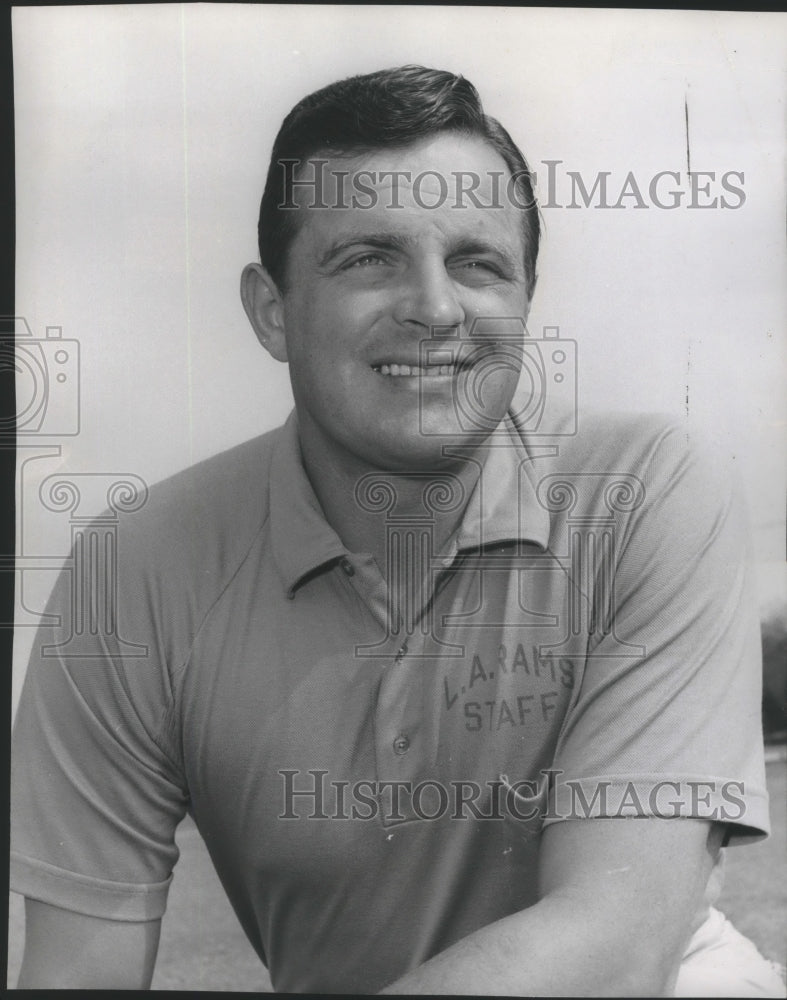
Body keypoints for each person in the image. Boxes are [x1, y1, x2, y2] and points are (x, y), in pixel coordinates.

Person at [11, 66, 785, 995]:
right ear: (272, 312)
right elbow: (78, 974)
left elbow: (613, 944)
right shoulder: (132, 570)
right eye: (367, 258)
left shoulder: (644, 488)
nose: (435, 307)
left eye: (477, 262)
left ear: (527, 299)